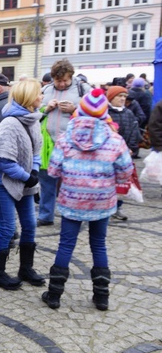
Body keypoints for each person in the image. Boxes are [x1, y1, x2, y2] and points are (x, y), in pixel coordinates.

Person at [42, 89, 133, 311]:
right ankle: (101, 297)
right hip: (102, 201)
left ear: (80, 110)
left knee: (66, 245)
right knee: (99, 245)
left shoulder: (66, 138)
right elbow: (125, 171)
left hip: (72, 200)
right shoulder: (114, 139)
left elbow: (53, 171)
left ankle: (54, 294)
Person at [0, 79, 44, 290]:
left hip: (27, 181)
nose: (42, 97)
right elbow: (4, 161)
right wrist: (27, 177)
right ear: (28, 97)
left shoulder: (34, 119)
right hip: (5, 184)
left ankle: (25, 268)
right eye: (38, 93)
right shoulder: (9, 123)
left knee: (29, 225)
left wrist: (35, 170)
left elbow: (36, 151)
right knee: (8, 228)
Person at [37, 59, 92, 227]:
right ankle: (46, 215)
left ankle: (76, 214)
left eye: (65, 81)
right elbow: (34, 114)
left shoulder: (83, 89)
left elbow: (96, 113)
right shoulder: (45, 90)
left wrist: (75, 109)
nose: (61, 84)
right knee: (46, 181)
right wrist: (46, 109)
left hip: (74, 144)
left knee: (74, 182)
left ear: (71, 77)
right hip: (48, 144)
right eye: (57, 81)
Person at [106, 86, 141, 220]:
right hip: (109, 154)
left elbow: (134, 131)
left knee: (122, 181)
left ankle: (118, 207)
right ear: (111, 98)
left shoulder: (129, 113)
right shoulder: (106, 113)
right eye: (119, 96)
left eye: (124, 96)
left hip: (125, 152)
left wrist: (131, 147)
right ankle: (107, 205)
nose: (122, 99)